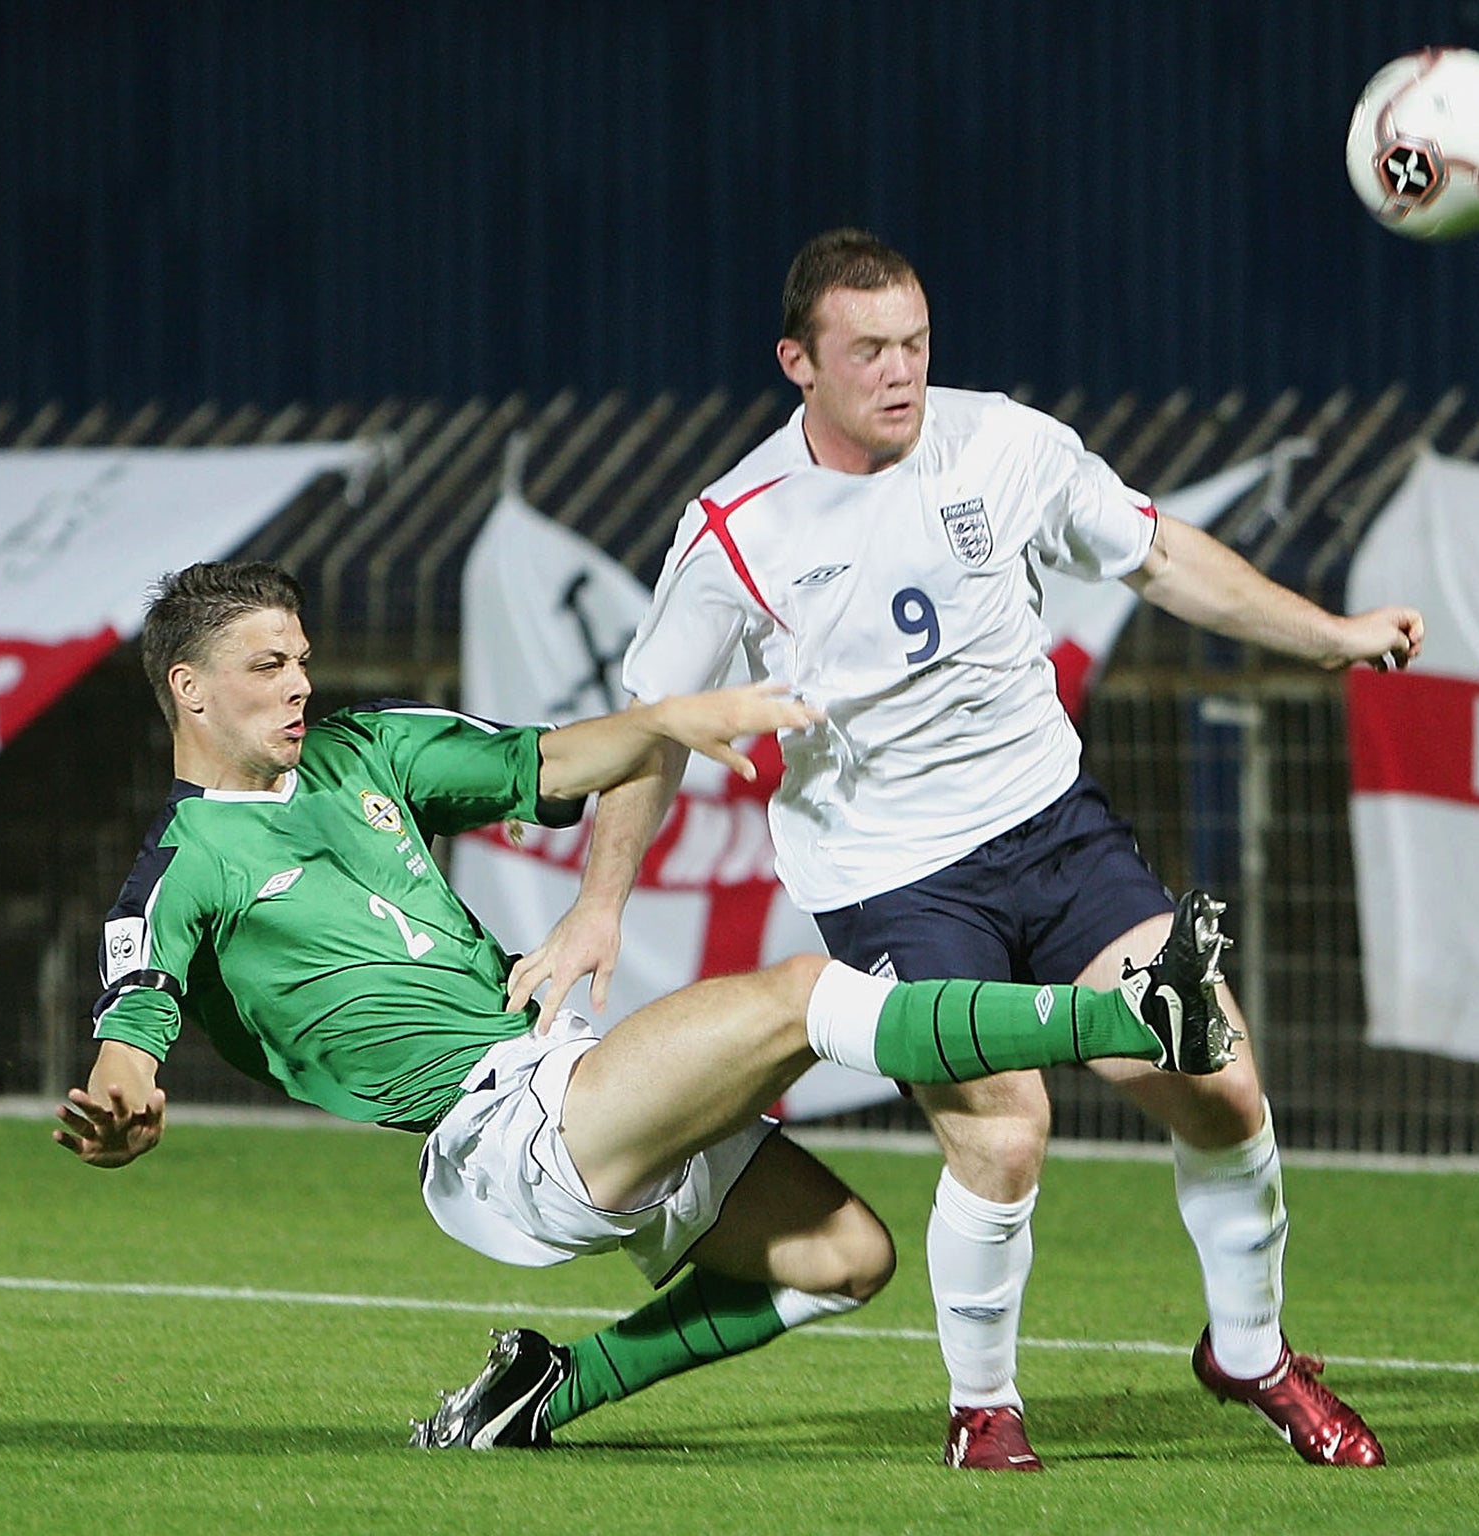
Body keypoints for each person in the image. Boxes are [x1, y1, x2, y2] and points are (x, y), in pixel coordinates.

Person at [508, 229, 1425, 1470]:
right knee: (1003, 1133)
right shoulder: (737, 528)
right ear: (798, 362)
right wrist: (598, 904)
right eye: (867, 350)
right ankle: (981, 1408)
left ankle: (1250, 1354)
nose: (900, 373)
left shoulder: (1004, 443)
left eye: (915, 344)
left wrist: (1325, 636)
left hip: (1052, 832)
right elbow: (656, 730)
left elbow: (1155, 553)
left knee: (1219, 1088)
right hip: (888, 879)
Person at [54, 558, 1235, 1452]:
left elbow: (553, 763)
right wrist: (121, 1103)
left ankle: (541, 1395)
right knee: (798, 998)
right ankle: (1135, 1018)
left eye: (303, 657)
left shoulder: (362, 753)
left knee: (844, 1258)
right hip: (500, 1133)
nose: (301, 683)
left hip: (562, 1068)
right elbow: (129, 1026)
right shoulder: (181, 867)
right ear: (188, 690)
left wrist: (668, 720)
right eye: (268, 666)